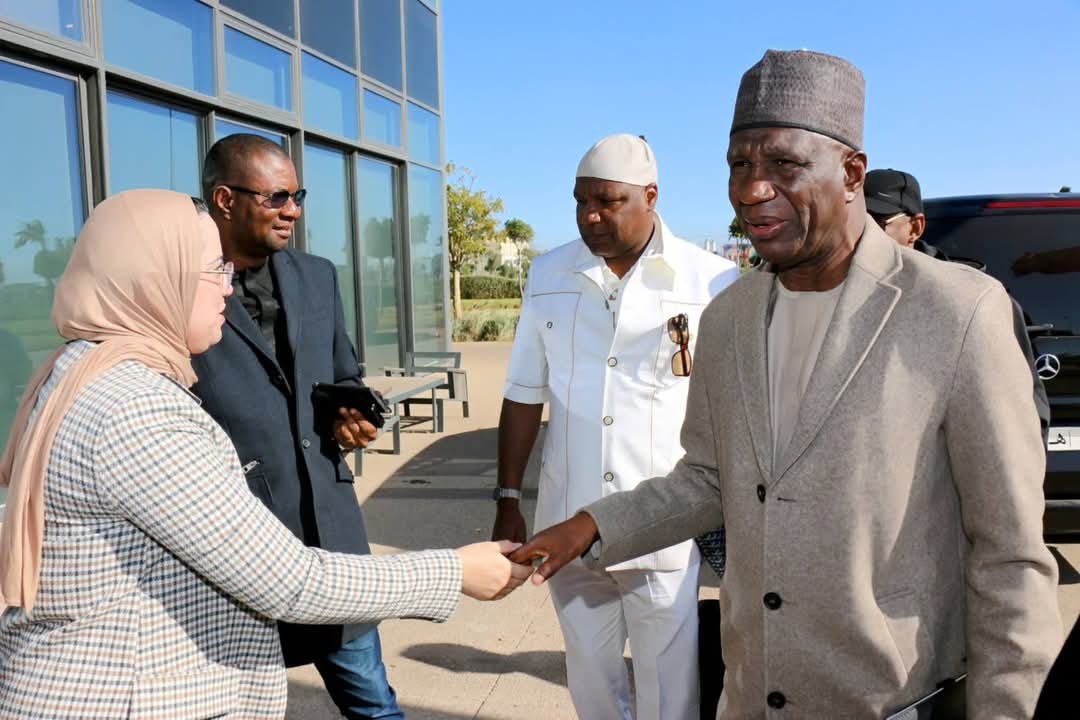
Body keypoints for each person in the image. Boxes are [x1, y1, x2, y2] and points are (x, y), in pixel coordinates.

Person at [512, 50, 1062, 718]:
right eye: (739, 166)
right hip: (752, 697)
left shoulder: (957, 313)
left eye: (783, 165)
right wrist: (589, 526)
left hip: (894, 703)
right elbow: (708, 479)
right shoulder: (730, 318)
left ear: (852, 173)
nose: (750, 189)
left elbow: (1010, 554)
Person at [0, 189, 529, 718]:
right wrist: (454, 571)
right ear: (156, 278)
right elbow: (289, 581)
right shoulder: (135, 408)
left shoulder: (83, 368)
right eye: (213, 270)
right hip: (128, 698)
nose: (227, 290)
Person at [492, 133, 738, 720]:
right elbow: (523, 394)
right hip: (565, 522)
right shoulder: (550, 274)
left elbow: (731, 406)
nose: (590, 216)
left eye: (607, 201)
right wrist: (507, 497)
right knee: (592, 688)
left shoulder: (710, 282)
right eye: (580, 202)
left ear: (650, 197)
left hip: (660, 525)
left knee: (670, 693)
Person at [190, 134, 399, 718]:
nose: (294, 210)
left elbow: (342, 371)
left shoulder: (316, 276)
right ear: (225, 199)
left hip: (330, 535)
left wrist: (350, 412)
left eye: (298, 194)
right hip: (232, 547)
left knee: (374, 706)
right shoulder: (182, 286)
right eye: (278, 197)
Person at [865, 168, 1050, 437]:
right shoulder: (837, 291)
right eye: (854, 222)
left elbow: (1027, 405)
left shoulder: (970, 297)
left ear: (915, 228)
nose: (862, 235)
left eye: (875, 224)